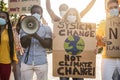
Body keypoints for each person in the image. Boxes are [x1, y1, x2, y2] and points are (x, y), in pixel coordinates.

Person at [20, 5, 52, 80]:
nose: (36, 14)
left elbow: (48, 45)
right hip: (26, 61)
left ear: (41, 15)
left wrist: (36, 36)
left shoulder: (46, 28)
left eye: (38, 12)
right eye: (34, 12)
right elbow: (24, 45)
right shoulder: (24, 26)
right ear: (31, 14)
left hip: (41, 62)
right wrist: (29, 35)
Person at [96, 0, 120, 80]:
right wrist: (102, 41)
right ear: (107, 10)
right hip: (107, 58)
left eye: (115, 7)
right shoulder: (103, 23)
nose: (113, 9)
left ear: (119, 8)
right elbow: (96, 42)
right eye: (111, 8)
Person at [0, 11, 18, 80]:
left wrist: (14, 62)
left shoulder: (10, 33)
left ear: (7, 20)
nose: (1, 18)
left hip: (6, 62)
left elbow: (13, 48)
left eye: (3, 17)